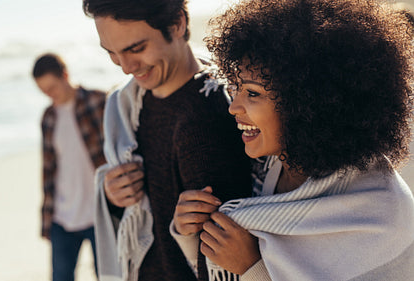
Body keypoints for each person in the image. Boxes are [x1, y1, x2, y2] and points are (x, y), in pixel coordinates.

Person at [171, 0, 414, 280]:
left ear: (308, 104)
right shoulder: (264, 169)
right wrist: (190, 233)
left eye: (252, 93)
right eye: (235, 87)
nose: (233, 107)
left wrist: (253, 268)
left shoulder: (382, 217)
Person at [82, 0, 252, 280]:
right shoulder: (128, 106)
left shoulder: (206, 115)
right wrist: (114, 195)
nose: (126, 68)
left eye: (136, 48)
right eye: (112, 53)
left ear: (177, 24)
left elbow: (222, 259)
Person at [32, 53, 106, 281]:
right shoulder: (48, 117)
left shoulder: (100, 102)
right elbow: (48, 172)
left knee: (108, 277)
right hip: (62, 218)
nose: (49, 95)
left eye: (52, 87)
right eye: (43, 91)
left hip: (99, 215)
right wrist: (46, 218)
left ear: (65, 75)